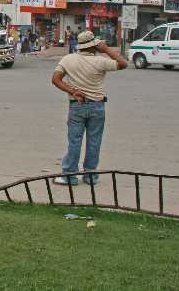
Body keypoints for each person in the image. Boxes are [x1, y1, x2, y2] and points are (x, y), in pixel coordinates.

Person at [51, 30, 128, 185]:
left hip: (77, 104)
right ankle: (91, 175)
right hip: (97, 106)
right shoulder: (100, 61)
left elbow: (55, 79)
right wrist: (106, 49)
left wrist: (72, 91)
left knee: (74, 141)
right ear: (94, 46)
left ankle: (69, 176)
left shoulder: (68, 59)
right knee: (94, 141)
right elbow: (123, 63)